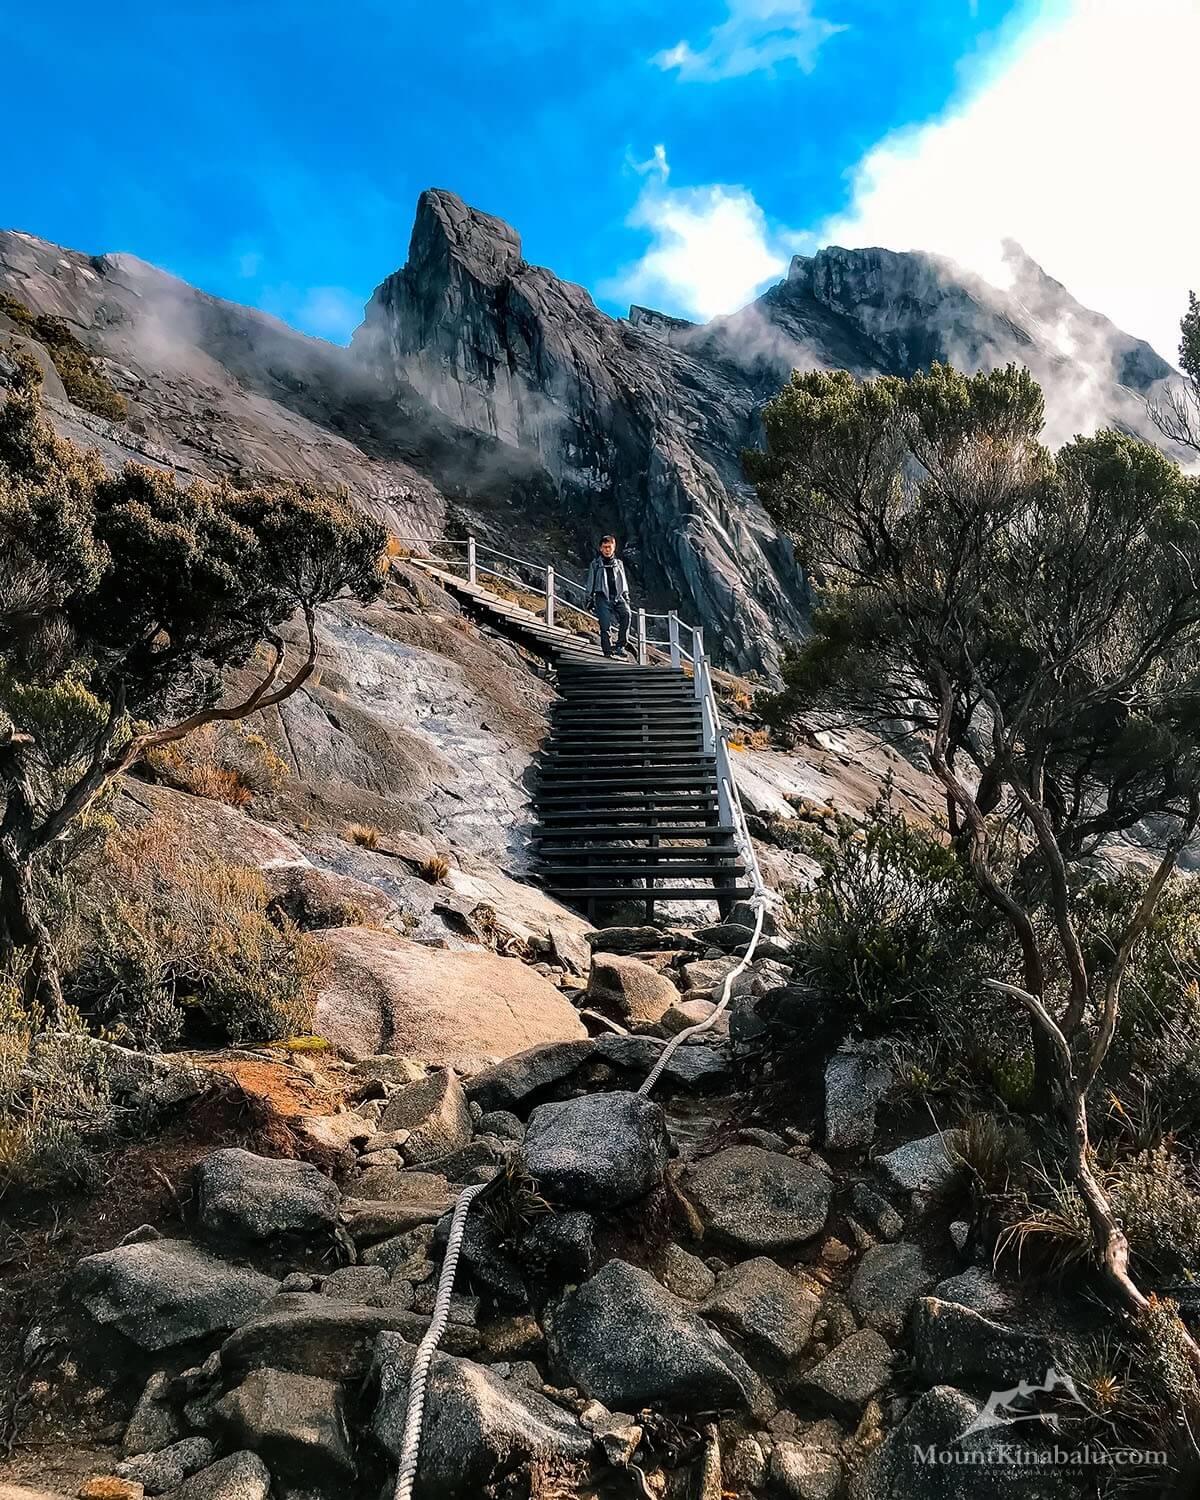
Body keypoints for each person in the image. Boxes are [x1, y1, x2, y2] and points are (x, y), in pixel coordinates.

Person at [584, 535, 634, 658]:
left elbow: (623, 581)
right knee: (605, 624)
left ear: (614, 548)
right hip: (602, 596)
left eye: (609, 547)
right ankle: (607, 651)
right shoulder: (595, 564)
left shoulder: (619, 563)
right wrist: (589, 599)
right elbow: (590, 581)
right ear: (600, 548)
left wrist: (626, 596)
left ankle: (620, 646)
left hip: (618, 596)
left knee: (627, 614)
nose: (607, 550)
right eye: (604, 547)